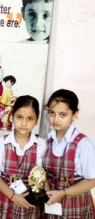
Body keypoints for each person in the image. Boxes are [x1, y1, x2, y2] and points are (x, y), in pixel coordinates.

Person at [0, 95, 46, 218]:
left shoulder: (41, 145)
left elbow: (42, 176)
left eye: (30, 119)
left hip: (28, 199)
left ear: (36, 120)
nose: (23, 123)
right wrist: (13, 196)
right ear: (11, 117)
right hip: (3, 196)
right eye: (19, 117)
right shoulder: (2, 143)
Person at [43, 89, 95, 218]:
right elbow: (41, 171)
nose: (55, 119)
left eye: (63, 115)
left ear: (74, 114)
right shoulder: (46, 141)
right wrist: (46, 188)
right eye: (51, 113)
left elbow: (91, 180)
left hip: (75, 204)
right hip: (50, 202)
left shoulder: (83, 144)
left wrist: (63, 193)